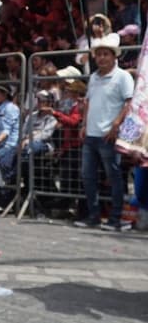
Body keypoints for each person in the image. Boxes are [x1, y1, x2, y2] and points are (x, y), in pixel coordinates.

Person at [74, 33, 134, 231]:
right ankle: (94, 216)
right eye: (98, 54)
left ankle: (115, 219)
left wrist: (116, 124)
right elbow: (88, 102)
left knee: (113, 177)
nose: (101, 58)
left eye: (105, 54)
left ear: (114, 56)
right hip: (91, 134)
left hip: (108, 135)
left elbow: (129, 102)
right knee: (88, 176)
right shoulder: (93, 77)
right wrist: (83, 125)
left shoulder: (123, 77)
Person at [0, 84, 21, 180]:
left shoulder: (11, 108)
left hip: (9, 145)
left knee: (0, 167)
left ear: (5, 94)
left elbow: (7, 130)